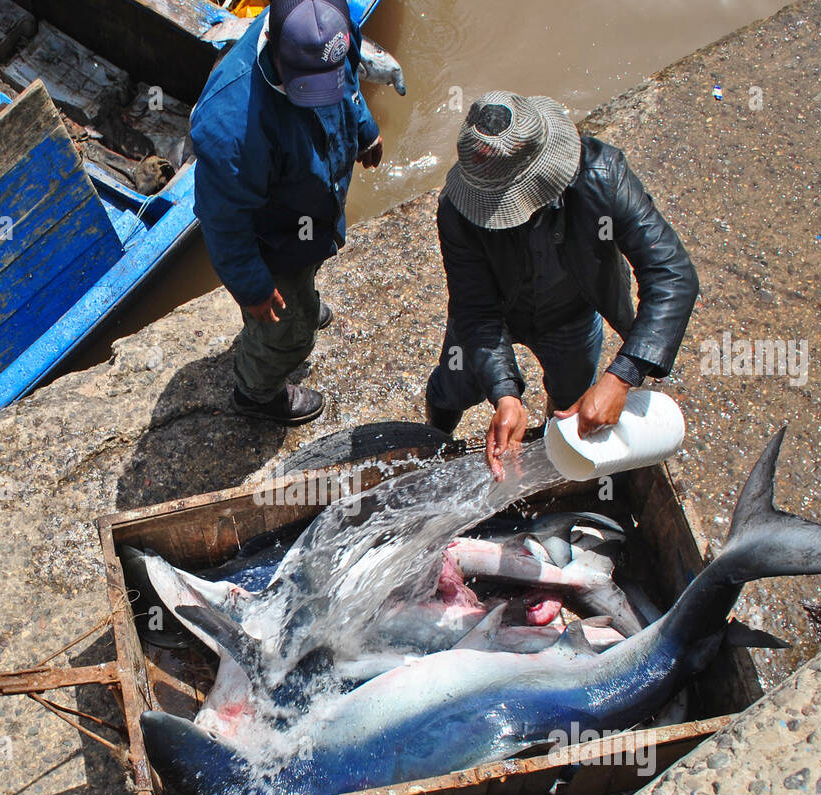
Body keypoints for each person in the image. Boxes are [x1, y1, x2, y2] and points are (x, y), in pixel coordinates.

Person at [425, 92, 699, 477]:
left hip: (572, 312)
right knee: (452, 388)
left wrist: (623, 374)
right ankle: (431, 440)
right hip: (497, 315)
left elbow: (673, 272)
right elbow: (475, 308)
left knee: (575, 408)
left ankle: (558, 457)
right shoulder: (457, 210)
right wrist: (505, 394)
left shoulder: (604, 174)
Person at [191, 0, 383, 426]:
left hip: (311, 208)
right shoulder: (231, 126)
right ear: (274, 49)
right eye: (307, 87)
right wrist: (253, 287)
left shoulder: (328, 26)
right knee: (288, 333)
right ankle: (257, 395)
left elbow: (349, 81)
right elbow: (222, 220)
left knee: (307, 268)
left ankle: (304, 298)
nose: (321, 96)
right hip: (271, 235)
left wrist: (364, 128)